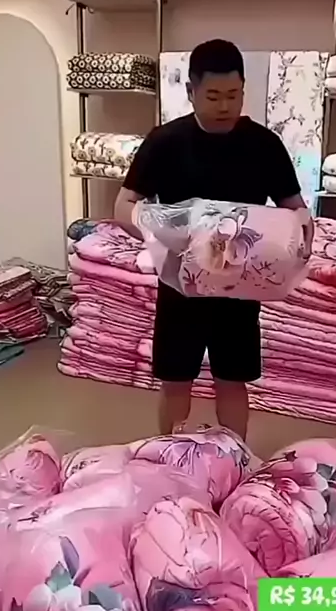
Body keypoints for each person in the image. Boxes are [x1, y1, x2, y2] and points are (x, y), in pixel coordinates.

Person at [114, 39, 308, 440]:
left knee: (232, 380)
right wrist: (160, 233)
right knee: (175, 379)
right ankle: (169, 453)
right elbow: (123, 205)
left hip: (240, 285)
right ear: (191, 91)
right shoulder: (165, 142)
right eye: (214, 96)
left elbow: (295, 208)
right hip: (180, 282)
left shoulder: (264, 145)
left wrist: (298, 237)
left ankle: (235, 457)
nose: (225, 106)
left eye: (234, 95)